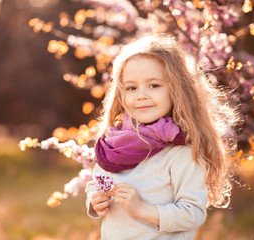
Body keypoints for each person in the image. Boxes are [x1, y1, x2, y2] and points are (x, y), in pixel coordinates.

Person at [85, 34, 239, 239]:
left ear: (176, 90)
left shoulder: (181, 153)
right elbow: (96, 181)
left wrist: (142, 210)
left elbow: (193, 213)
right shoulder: (114, 145)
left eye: (154, 85)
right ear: (121, 94)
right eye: (132, 87)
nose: (141, 95)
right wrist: (94, 202)